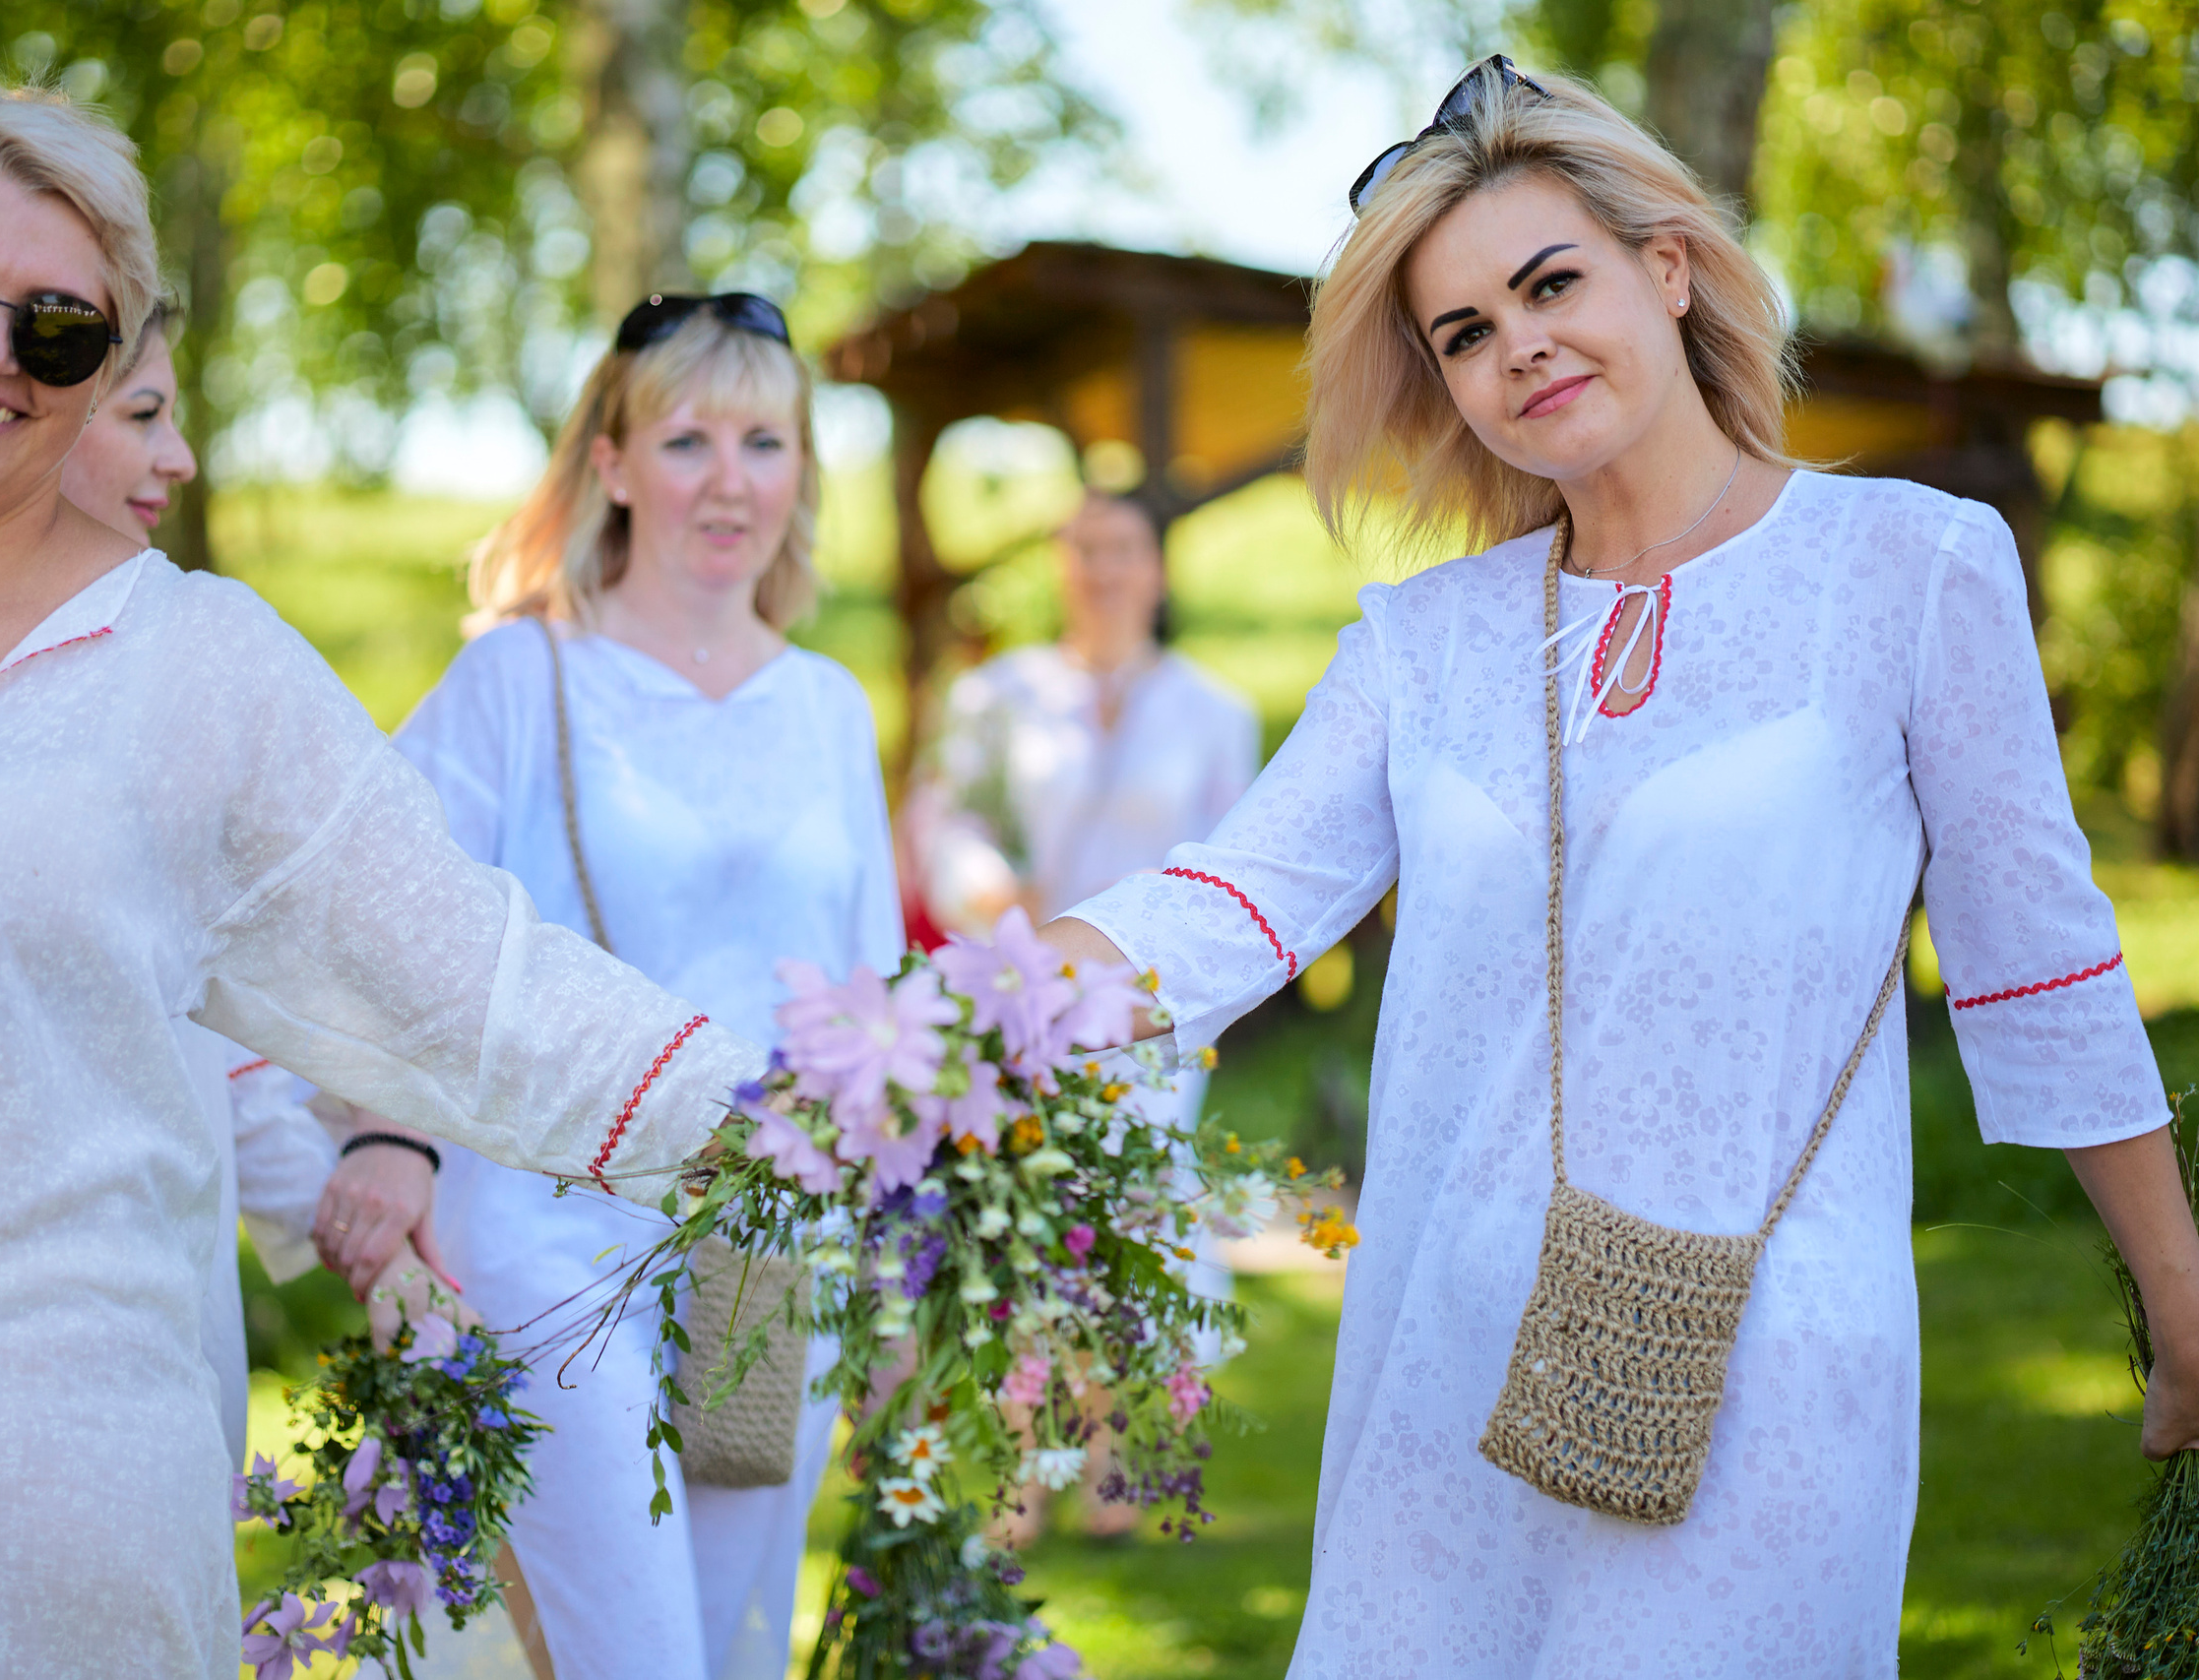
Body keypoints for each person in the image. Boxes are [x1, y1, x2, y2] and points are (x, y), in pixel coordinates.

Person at [1034, 59, 2196, 1675]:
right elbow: (1238, 892)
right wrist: (973, 1016)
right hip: (1446, 1368)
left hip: (1775, 1371)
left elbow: (2038, 956)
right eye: (1464, 333)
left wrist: (2181, 1287)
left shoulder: (1908, 565)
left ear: (1666, 264)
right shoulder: (1422, 643)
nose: (1520, 348)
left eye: (1549, 283)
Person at [0, 79, 758, 1679]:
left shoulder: (203, 668)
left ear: (104, 365)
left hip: (52, 1523)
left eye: (56, 331)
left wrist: (841, 1127)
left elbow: (483, 987)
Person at [350, 293, 901, 1680]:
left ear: (802, 470)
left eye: (765, 441)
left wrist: (902, 1238)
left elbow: (870, 985)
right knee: (634, 1648)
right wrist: (388, 1135)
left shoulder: (827, 703)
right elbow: (381, 913)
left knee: (729, 1640)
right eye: (689, 439)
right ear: (609, 461)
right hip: (552, 1228)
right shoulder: (519, 677)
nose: (731, 480)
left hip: (774, 1243)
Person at [58, 302, 393, 1470]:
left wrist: (376, 1257)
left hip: (158, 1356)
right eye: (145, 414)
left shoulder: (179, 683)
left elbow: (228, 1062)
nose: (180, 457)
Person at [907, 486, 1256, 1541]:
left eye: (1121, 550)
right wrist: (984, 895)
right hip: (1020, 997)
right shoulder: (996, 696)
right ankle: (1022, 1463)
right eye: (1082, 549)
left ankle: (1109, 1457)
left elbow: (1232, 865)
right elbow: (939, 819)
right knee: (1025, 1223)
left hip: (1145, 1012)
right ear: (1058, 565)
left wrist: (1200, 992)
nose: (1101, 569)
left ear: (1156, 570)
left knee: (1132, 1223)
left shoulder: (1212, 709)